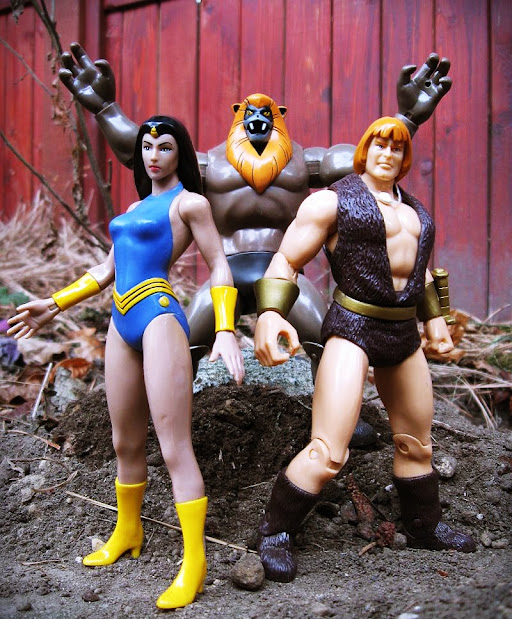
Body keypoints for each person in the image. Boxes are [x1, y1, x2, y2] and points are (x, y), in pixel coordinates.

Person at [58, 46, 452, 448]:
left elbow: (371, 160)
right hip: (225, 275)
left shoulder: (304, 162)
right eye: (248, 112)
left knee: (327, 336)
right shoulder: (209, 165)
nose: (258, 119)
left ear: (281, 116)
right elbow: (141, 151)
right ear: (235, 115)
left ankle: (339, 420)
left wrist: (406, 119)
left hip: (281, 275)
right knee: (182, 341)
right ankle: (161, 419)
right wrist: (105, 109)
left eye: (268, 113)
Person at [7, 115, 244, 609]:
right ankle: (128, 530)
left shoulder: (190, 203)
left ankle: (194, 563)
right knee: (124, 440)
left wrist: (225, 327)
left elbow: (220, 264)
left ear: (180, 153)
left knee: (174, 446)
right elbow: (106, 269)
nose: (154, 155)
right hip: (120, 318)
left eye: (165, 146)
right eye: (147, 147)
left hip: (158, 315)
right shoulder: (136, 207)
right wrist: (55, 303)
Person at [253, 116, 476, 583]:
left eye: (397, 148)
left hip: (402, 332)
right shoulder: (332, 202)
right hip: (354, 325)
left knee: (416, 442)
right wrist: (270, 314)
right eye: (379, 144)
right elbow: (287, 259)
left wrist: (435, 321)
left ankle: (424, 525)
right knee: (328, 450)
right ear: (364, 150)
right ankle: (275, 532)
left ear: (406, 157)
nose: (387, 154)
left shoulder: (416, 213)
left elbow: (419, 274)